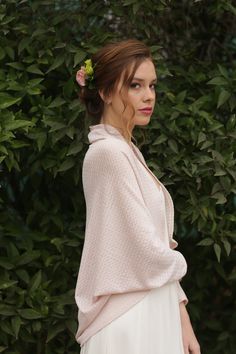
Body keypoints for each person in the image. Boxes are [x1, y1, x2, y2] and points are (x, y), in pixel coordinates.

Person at [74, 39, 201, 354]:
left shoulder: (125, 151)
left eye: (152, 86)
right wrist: (180, 266)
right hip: (131, 317)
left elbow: (153, 247)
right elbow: (146, 250)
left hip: (150, 307)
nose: (149, 96)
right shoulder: (109, 154)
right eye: (135, 85)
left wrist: (181, 315)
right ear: (104, 92)